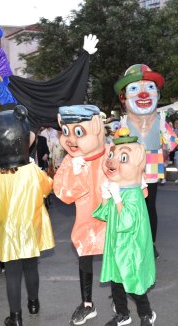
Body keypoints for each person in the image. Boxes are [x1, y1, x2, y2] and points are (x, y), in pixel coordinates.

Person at [0, 10, 97, 275]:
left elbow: (47, 92)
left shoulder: (1, 63)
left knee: (8, 201)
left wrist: (83, 58)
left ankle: (14, 253)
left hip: (2, 137)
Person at [0, 106, 54, 326]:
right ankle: (33, 303)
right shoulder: (31, 171)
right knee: (31, 267)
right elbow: (47, 188)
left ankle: (15, 317)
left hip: (6, 229)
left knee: (12, 274)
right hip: (28, 226)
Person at [114, 64, 178, 259]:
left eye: (149, 88)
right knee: (131, 207)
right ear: (124, 98)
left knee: (149, 207)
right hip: (129, 173)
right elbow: (115, 148)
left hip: (150, 171)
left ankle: (150, 243)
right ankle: (133, 241)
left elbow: (173, 142)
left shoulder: (160, 121)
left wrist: (165, 146)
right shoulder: (123, 123)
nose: (143, 95)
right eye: (135, 89)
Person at [53, 105, 109, 325]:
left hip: (112, 220)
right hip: (86, 222)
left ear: (96, 127)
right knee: (85, 258)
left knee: (117, 257)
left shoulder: (111, 153)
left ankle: (120, 301)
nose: (70, 140)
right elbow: (63, 194)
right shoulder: (71, 161)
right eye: (65, 132)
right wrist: (76, 173)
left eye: (78, 132)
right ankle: (87, 304)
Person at [94, 130, 156, 326]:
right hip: (115, 246)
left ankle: (146, 314)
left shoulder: (134, 194)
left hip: (130, 248)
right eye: (111, 156)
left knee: (133, 282)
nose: (112, 161)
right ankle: (122, 314)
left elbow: (128, 222)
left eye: (122, 158)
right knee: (116, 282)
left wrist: (118, 198)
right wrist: (106, 195)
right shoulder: (118, 188)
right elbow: (104, 215)